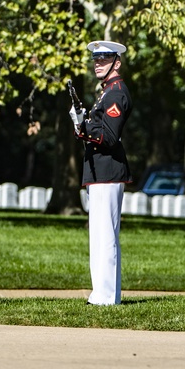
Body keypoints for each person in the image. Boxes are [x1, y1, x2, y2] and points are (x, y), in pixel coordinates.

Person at [69, 40, 132, 305]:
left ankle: (106, 296)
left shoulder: (116, 92)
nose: (98, 63)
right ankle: (103, 293)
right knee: (99, 235)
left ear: (116, 63)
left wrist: (86, 127)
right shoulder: (106, 92)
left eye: (104, 60)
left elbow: (109, 137)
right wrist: (82, 125)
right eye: (96, 60)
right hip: (100, 169)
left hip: (108, 169)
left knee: (105, 236)